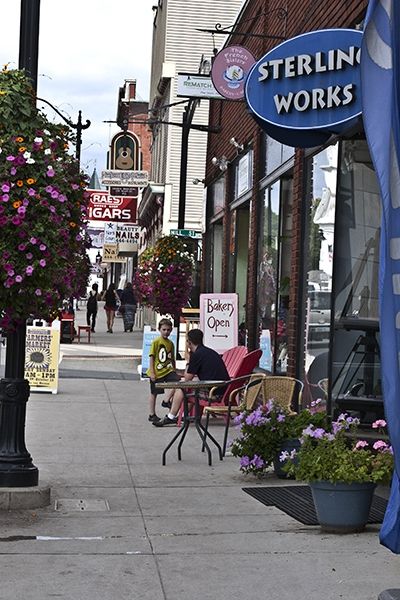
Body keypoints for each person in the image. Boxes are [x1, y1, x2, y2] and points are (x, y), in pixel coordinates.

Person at [154, 328, 229, 427]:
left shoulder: (197, 355)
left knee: (182, 389)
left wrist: (188, 361)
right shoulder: (208, 351)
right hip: (224, 389)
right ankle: (184, 416)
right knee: (190, 388)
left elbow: (187, 377)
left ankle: (171, 417)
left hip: (215, 393)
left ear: (189, 342)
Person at [147, 318, 180, 424]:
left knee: (177, 385)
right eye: (164, 329)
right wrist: (152, 372)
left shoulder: (171, 343)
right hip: (157, 371)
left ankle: (166, 401)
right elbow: (152, 357)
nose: (166, 332)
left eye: (168, 330)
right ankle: (152, 414)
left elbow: (172, 357)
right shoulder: (156, 342)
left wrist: (174, 369)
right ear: (159, 330)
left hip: (168, 370)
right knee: (154, 393)